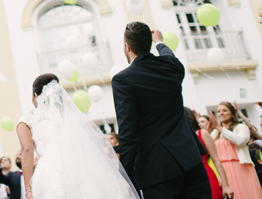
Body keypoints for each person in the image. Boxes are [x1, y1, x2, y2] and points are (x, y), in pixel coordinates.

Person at [112, 23, 211, 198]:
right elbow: (168, 54)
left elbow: (128, 131)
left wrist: (124, 175)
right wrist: (159, 42)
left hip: (156, 170)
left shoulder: (123, 80)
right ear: (149, 44)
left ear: (127, 47)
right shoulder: (171, 66)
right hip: (190, 160)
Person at [17, 73, 139, 199]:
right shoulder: (72, 117)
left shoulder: (27, 120)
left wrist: (28, 189)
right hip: (82, 168)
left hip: (51, 173)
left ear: (36, 95)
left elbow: (27, 149)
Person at [209, 101, 262, 198]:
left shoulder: (241, 127)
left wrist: (220, 128)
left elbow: (240, 140)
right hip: (223, 170)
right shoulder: (215, 132)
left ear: (233, 114)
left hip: (240, 167)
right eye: (219, 111)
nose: (221, 113)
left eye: (224, 110)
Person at [184, 107, 233, 199]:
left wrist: (226, 185)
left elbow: (216, 160)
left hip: (207, 176)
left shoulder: (202, 133)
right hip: (187, 181)